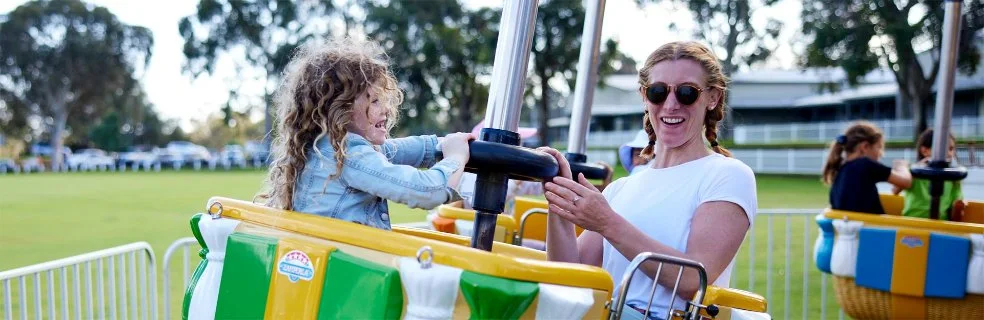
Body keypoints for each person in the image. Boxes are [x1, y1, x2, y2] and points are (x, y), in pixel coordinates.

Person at [538, 41, 757, 319]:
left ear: (712, 97)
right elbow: (570, 275)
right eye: (658, 92)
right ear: (645, 96)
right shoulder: (621, 188)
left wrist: (606, 222)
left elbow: (693, 280)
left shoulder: (728, 175)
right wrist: (558, 200)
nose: (671, 104)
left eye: (687, 92)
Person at [257, 36, 472, 230]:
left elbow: (401, 149)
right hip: (346, 270)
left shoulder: (327, 148)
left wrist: (444, 143)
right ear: (341, 110)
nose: (386, 109)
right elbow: (427, 191)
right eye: (375, 101)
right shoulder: (349, 155)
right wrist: (456, 157)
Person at [822, 121, 912, 215]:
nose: (881, 154)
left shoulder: (840, 170)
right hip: (871, 228)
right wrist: (902, 166)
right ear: (865, 147)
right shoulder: (865, 164)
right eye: (879, 148)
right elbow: (906, 182)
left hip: (848, 227)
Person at [894, 129, 964, 221]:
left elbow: (956, 209)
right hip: (912, 222)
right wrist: (910, 170)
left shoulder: (953, 178)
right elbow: (895, 190)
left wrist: (959, 208)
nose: (949, 153)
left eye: (951, 149)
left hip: (941, 224)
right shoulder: (913, 172)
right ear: (925, 151)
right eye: (943, 149)